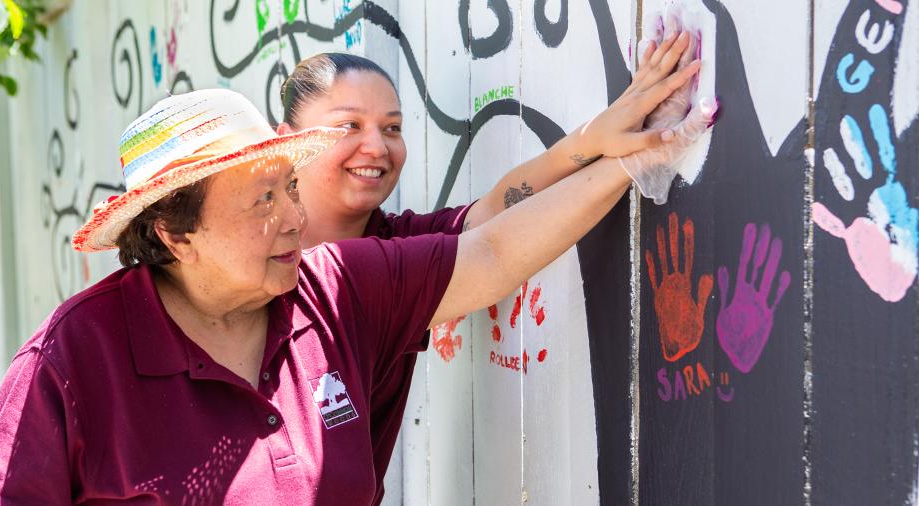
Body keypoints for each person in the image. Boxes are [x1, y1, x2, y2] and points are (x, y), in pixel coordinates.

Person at [0, 38, 712, 506]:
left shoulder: (338, 283)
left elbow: (492, 248)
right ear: (172, 231)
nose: (292, 218)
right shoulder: (70, 364)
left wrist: (626, 160)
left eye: (290, 188)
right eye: (262, 200)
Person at [276, 27, 706, 501]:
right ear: (286, 143)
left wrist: (603, 140)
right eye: (348, 126)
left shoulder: (396, 250)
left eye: (393, 127)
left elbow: (499, 217)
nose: (377, 147)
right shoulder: (248, 254)